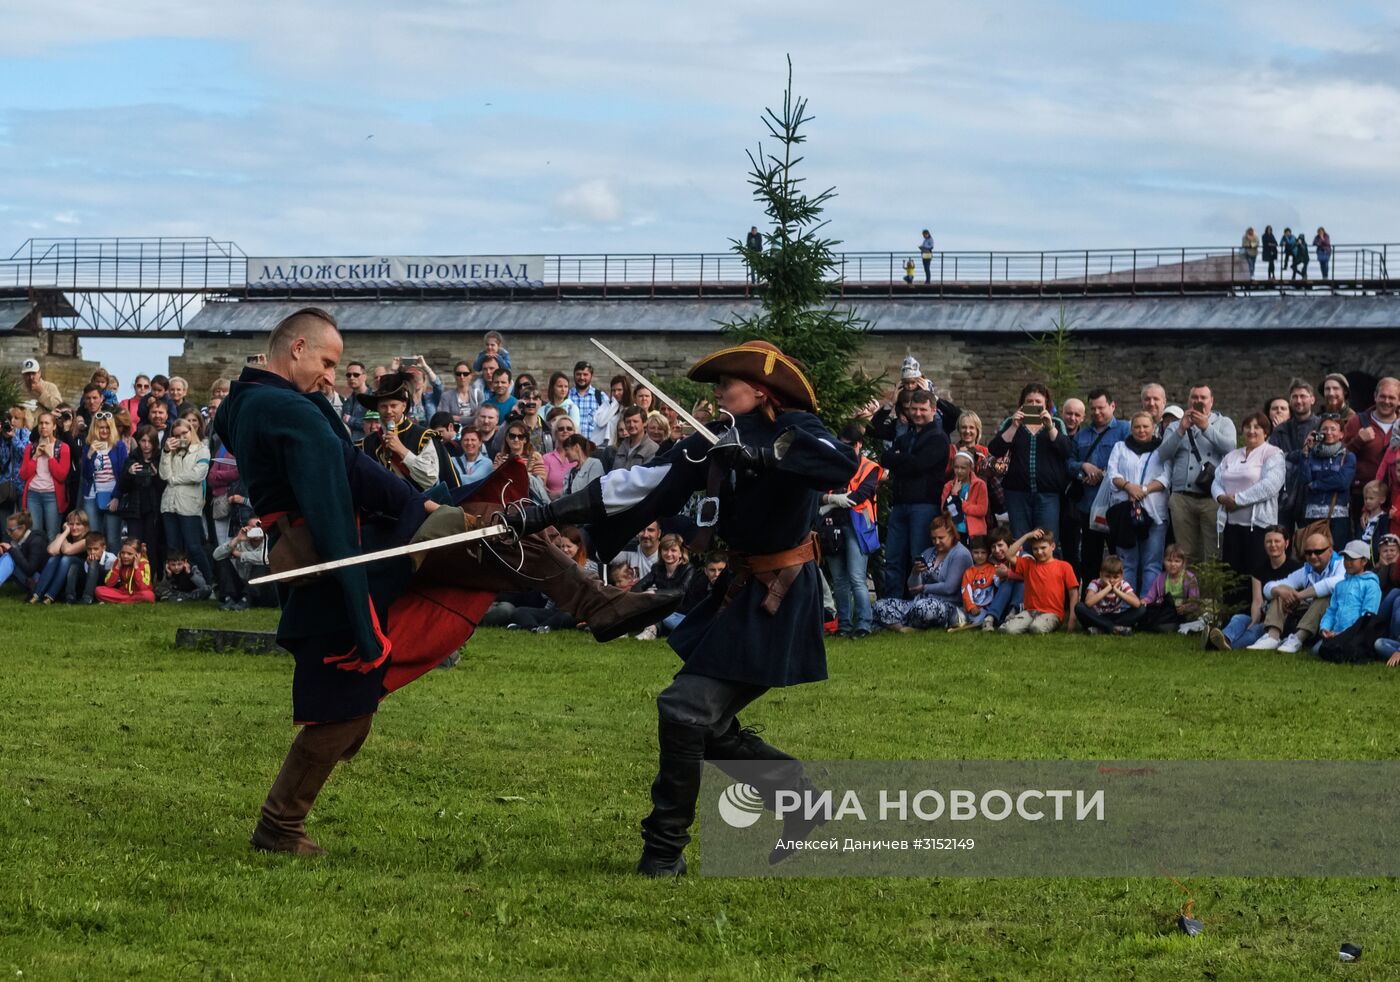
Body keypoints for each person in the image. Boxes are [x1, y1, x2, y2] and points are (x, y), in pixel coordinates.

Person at [216, 307, 681, 858]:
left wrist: (423, 502)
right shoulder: (287, 410)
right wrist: (363, 612)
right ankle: (278, 826)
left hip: (348, 548)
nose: (331, 377)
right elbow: (333, 509)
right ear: (295, 348)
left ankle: (594, 601)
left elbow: (352, 469)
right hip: (343, 561)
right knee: (346, 700)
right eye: (325, 362)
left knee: (490, 528)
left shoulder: (247, 404)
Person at [504, 338, 858, 877]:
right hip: (738, 590)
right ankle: (803, 805)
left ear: (759, 389)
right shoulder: (712, 442)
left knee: (685, 710)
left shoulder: (799, 429)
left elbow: (841, 464)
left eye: (726, 383)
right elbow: (630, 486)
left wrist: (765, 457)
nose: (717, 393)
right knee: (703, 722)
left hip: (780, 593)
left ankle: (664, 853)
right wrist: (542, 514)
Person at [872, 388, 950, 595]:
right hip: (900, 503)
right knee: (894, 557)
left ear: (933, 410)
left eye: (922, 409)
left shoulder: (939, 438)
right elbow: (885, 458)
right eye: (914, 409)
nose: (917, 413)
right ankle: (892, 604)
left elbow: (918, 465)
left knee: (919, 557)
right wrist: (903, 459)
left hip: (924, 504)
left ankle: (921, 604)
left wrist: (899, 459)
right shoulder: (906, 437)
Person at [1159, 383, 1236, 565]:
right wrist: (1181, 431)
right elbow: (1162, 454)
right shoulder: (1176, 426)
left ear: (1211, 401)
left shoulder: (1224, 423)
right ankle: (1190, 593)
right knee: (1185, 554)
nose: (1198, 401)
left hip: (1212, 497)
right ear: (1189, 400)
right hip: (1182, 498)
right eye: (1195, 398)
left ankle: (1211, 593)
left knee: (1213, 554)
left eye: (1203, 398)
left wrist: (1206, 428)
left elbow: (1230, 447)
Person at [988, 383, 1072, 543]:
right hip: (1016, 494)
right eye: (1029, 401)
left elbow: (1066, 451)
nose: (1034, 405)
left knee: (1046, 541)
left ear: (1046, 404)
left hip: (1048, 494)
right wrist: (1014, 426)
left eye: (1038, 402)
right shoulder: (1010, 422)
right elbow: (995, 449)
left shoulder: (1056, 423)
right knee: (1020, 541)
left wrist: (1049, 427)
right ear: (1022, 403)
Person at [1245, 523, 1345, 652]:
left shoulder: (1341, 563)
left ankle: (1297, 639)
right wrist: (1279, 590)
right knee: (1282, 591)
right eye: (1308, 553)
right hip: (1308, 612)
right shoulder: (1306, 569)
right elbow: (1269, 587)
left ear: (1330, 551)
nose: (1313, 556)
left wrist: (1299, 595)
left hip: (1334, 616)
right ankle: (1272, 637)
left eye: (1318, 551)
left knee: (1324, 596)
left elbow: (1333, 584)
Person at [821, 423, 881, 639]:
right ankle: (844, 625)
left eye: (849, 446)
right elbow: (821, 491)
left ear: (859, 445)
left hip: (858, 527)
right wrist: (830, 499)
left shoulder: (869, 467)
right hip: (833, 526)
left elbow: (860, 495)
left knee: (857, 578)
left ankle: (864, 623)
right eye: (841, 445)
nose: (845, 450)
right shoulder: (833, 465)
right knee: (839, 580)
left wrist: (831, 500)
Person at [1213, 412, 1287, 582]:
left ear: (1266, 431)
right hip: (1231, 525)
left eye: (1257, 427)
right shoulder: (1232, 456)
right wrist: (1220, 498)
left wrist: (1237, 500)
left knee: (1255, 574)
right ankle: (1232, 609)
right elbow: (1217, 480)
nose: (1251, 431)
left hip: (1259, 528)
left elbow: (1270, 485)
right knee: (1231, 576)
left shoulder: (1273, 453)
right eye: (1248, 427)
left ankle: (1256, 609)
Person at [1100, 411, 1169, 595]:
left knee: (1152, 564)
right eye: (1137, 426)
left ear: (1153, 428)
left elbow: (1166, 477)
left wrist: (1143, 490)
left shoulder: (1161, 449)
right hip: (1126, 515)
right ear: (1131, 428)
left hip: (1154, 513)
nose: (1141, 430)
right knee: (1127, 563)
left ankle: (1148, 606)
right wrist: (1128, 487)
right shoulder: (1120, 447)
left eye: (1145, 426)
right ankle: (1126, 605)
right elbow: (1113, 474)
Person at [1067, 388, 1129, 581]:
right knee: (1089, 556)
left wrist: (1103, 474)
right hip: (1089, 505)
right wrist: (1083, 467)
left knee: (1118, 555)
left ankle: (1120, 599)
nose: (1097, 413)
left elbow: (1131, 459)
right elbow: (1068, 463)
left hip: (1116, 504)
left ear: (1112, 406)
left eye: (1101, 408)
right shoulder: (1082, 436)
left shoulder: (1125, 430)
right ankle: (1090, 601)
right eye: (1093, 409)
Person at [873, 515, 973, 632]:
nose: (937, 542)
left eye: (941, 538)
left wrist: (924, 588)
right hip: (918, 602)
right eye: (933, 538)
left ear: (952, 534)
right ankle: (902, 628)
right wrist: (915, 572)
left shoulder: (961, 554)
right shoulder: (928, 552)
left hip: (948, 605)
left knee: (923, 608)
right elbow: (912, 587)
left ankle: (893, 621)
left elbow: (949, 588)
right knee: (880, 605)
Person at [359, 372, 455, 491]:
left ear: (403, 406)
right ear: (378, 408)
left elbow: (430, 479)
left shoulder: (423, 437)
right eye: (384, 406)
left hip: (417, 506)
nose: (389, 411)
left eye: (393, 405)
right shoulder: (368, 442)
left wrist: (401, 450)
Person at [1210, 525, 1300, 650]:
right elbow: (1257, 600)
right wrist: (1254, 620)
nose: (1272, 545)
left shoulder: (1296, 569)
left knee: (1255, 632)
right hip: (1261, 614)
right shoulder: (1259, 570)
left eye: (1277, 541)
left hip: (1279, 621)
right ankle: (1224, 638)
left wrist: (1257, 625)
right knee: (1239, 618)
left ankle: (1217, 646)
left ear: (1286, 543)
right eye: (1268, 541)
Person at [158, 417, 213, 585]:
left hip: (189, 506)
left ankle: (210, 582)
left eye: (184, 433)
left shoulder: (202, 450)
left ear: (191, 431)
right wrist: (166, 452)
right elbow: (163, 475)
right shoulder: (172, 451)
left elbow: (198, 474)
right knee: (174, 548)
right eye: (177, 435)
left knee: (194, 546)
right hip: (169, 504)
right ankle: (178, 585)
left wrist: (175, 479)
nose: (181, 437)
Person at [998, 527, 1079, 634]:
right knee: (1009, 630)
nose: (1039, 552)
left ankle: (1028, 624)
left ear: (1053, 546)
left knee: (1036, 628)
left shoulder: (1064, 566)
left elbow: (1073, 593)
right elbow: (1009, 555)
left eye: (1043, 548)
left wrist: (1072, 619)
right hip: (1029, 612)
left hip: (1052, 613)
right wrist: (1027, 536)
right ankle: (1015, 623)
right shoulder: (1028, 564)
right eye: (1035, 549)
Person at [1297, 414, 1356, 548]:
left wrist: (1316, 484)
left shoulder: (1348, 456)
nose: (1328, 432)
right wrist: (1305, 451)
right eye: (1324, 429)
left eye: (1333, 429)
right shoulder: (1310, 456)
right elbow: (1305, 480)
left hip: (1338, 517)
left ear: (1341, 434)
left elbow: (1342, 482)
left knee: (1336, 555)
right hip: (1312, 517)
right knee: (1313, 555)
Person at [1311, 540, 1380, 654]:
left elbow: (1367, 617)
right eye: (1345, 558)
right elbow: (1331, 611)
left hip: (1356, 635)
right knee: (1316, 651)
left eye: (1352, 559)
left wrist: (1344, 634)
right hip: (1335, 633)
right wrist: (1325, 628)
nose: (1347, 562)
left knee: (1335, 651)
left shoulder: (1371, 585)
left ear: (1364, 561)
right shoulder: (1340, 585)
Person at [1344, 377, 1400, 515]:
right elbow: (1339, 458)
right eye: (1383, 396)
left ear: (1399, 401)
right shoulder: (1356, 422)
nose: (1386, 401)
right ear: (1375, 396)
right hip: (1363, 496)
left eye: (1391, 398)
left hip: (1396, 498)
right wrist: (1357, 441)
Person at [634, 534, 708, 638]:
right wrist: (632, 598)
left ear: (681, 553)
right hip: (665, 613)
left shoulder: (688, 569)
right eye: (665, 550)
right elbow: (639, 586)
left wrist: (655, 593)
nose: (669, 554)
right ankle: (633, 630)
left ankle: (651, 631)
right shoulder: (657, 568)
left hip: (683, 616)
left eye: (673, 550)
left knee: (657, 611)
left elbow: (681, 591)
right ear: (661, 551)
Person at [1270, 378, 1320, 529]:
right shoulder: (1280, 430)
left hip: (1312, 493)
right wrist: (1301, 453)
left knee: (1309, 543)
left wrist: (1291, 455)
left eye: (1303, 396)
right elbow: (1273, 458)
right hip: (1285, 496)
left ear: (1312, 399)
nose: (1299, 400)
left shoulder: (1322, 426)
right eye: (1295, 397)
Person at [118, 425, 164, 570]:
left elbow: (164, 488)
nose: (146, 445)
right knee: (134, 545)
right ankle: (131, 577)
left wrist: (157, 476)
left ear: (155, 442)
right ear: (138, 441)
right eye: (143, 441)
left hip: (153, 510)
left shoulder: (161, 458)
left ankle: (152, 579)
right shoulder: (132, 458)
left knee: (152, 545)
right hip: (134, 510)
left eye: (150, 441)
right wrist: (129, 473)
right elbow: (122, 487)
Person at [20, 411, 72, 542]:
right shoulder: (30, 448)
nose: (43, 426)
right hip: (33, 495)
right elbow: (23, 475)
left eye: (47, 423)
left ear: (54, 426)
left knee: (52, 535)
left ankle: (50, 563)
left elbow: (61, 476)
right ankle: (36, 563)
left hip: (52, 496)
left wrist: (50, 456)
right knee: (35, 535)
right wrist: (35, 457)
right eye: (41, 423)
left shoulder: (63, 447)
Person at [81, 410, 127, 548]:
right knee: (95, 538)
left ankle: (113, 569)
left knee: (113, 539)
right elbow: (86, 475)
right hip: (92, 496)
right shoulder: (89, 446)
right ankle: (95, 568)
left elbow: (123, 474)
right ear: (95, 428)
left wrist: (117, 497)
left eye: (107, 427)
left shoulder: (119, 446)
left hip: (112, 495)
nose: (104, 431)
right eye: (101, 427)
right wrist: (89, 455)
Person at [1074, 553, 1145, 636]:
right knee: (1079, 607)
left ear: (1121, 576)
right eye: (1107, 576)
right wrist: (1107, 589)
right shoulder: (1095, 583)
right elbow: (1088, 603)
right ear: (1101, 574)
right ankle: (1114, 628)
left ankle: (1101, 629)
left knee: (1141, 609)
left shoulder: (1123, 584)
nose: (1111, 580)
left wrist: (1117, 591)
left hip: (1116, 617)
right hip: (1097, 616)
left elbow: (1137, 603)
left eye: (1115, 577)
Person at [1138, 544, 1202, 633]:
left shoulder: (1189, 578)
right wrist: (1143, 601)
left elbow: (1195, 601)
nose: (1172, 564)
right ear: (1164, 561)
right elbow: (1150, 597)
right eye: (1169, 560)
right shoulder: (1160, 578)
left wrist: (1185, 607)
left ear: (1183, 563)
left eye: (1177, 561)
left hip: (1184, 613)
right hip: (1167, 612)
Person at [29, 510, 90, 603]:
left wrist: (62, 538)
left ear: (85, 526)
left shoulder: (88, 539)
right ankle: (37, 594)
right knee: (54, 558)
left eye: (78, 524)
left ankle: (50, 596)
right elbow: (51, 551)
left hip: (80, 575)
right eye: (71, 524)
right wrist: (65, 533)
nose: (74, 527)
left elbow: (67, 550)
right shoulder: (65, 535)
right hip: (62, 576)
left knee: (66, 559)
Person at [952, 535, 998, 631]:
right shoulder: (968, 572)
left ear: (988, 553)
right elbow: (965, 592)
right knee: (955, 616)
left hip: (986, 608)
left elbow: (998, 584)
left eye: (983, 553)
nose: (979, 556)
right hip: (971, 607)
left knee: (980, 617)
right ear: (971, 553)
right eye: (976, 552)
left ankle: (974, 623)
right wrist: (971, 607)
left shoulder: (993, 569)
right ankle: (964, 621)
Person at [941, 450, 988, 540]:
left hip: (974, 534)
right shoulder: (948, 486)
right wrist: (953, 494)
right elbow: (945, 511)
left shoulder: (979, 484)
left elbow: (982, 510)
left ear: (971, 468)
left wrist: (960, 503)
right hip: (953, 532)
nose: (959, 471)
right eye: (956, 467)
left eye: (963, 468)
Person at [94, 537, 154, 604]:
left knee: (148, 595)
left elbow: (143, 587)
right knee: (98, 590)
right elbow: (108, 583)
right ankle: (129, 601)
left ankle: (121, 601)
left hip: (138, 593)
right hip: (123, 593)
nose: (125, 556)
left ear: (138, 555)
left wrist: (136, 567)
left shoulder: (144, 563)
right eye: (123, 553)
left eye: (129, 554)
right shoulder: (119, 561)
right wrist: (117, 567)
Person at [0, 510, 46, 595]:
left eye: (11, 530)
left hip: (39, 580)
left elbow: (30, 570)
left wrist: (11, 550)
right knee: (7, 555)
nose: (9, 533)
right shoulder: (16, 538)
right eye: (7, 530)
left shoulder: (36, 541)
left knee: (9, 556)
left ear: (23, 527)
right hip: (29, 578)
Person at [1, 405, 33, 515]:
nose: (12, 421)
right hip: (5, 484)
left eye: (16, 418)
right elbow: (2, 460)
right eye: (10, 418)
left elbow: (26, 454)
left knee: (22, 521)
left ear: (24, 421)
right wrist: (4, 439)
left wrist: (14, 438)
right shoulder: (4, 434)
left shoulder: (27, 434)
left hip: (22, 485)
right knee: (4, 525)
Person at [570, 360, 611, 442]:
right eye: (578, 374)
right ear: (574, 375)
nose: (582, 377)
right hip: (571, 446)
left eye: (585, 374)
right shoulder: (567, 396)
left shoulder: (601, 397)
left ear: (591, 376)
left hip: (594, 447)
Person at [612, 405, 659, 471]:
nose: (631, 425)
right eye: (628, 422)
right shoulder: (622, 445)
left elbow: (646, 476)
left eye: (635, 421)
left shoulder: (652, 448)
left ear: (644, 423)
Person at [542, 413, 577, 498]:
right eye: (561, 429)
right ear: (555, 433)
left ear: (574, 432)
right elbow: (542, 486)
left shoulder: (580, 458)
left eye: (569, 428)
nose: (565, 431)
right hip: (552, 504)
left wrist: (559, 494)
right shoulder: (546, 458)